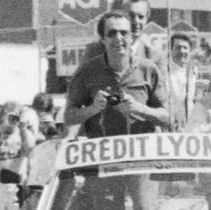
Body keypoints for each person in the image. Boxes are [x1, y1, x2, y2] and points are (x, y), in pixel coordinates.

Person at [65, 10, 168, 138]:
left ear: (131, 37)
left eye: (124, 33)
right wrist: (93, 108)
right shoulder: (86, 71)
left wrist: (140, 109)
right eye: (111, 33)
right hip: (103, 154)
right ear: (102, 39)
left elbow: (167, 118)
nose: (118, 38)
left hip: (142, 153)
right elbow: (69, 117)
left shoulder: (148, 69)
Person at [81, 0, 162, 69]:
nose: (136, 21)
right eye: (130, 15)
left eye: (141, 17)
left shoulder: (154, 57)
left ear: (147, 19)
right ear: (118, 16)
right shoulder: (94, 51)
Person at [167, 33, 198, 131]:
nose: (182, 51)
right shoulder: (164, 70)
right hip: (170, 120)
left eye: (185, 48)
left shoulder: (193, 70)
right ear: (170, 50)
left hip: (189, 121)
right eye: (178, 47)